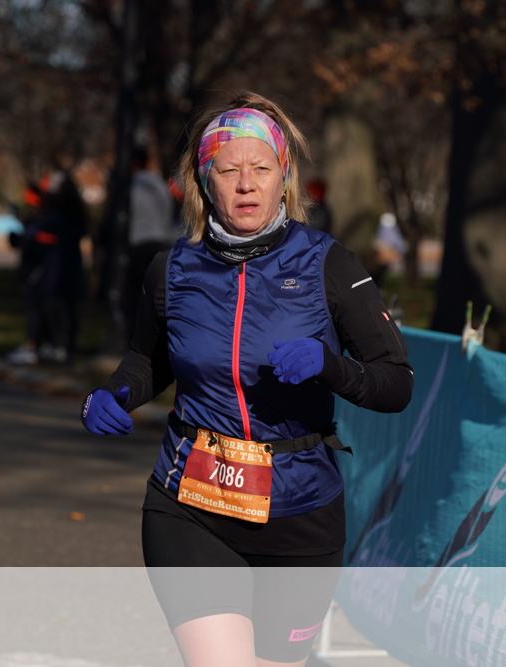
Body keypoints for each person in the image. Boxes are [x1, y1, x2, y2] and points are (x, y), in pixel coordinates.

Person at [79, 92, 413, 666]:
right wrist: (115, 393)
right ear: (203, 182)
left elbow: (395, 382)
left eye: (260, 168)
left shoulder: (328, 264)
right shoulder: (171, 269)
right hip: (191, 503)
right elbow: (148, 360)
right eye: (228, 170)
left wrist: (329, 365)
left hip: (301, 511)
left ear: (284, 177)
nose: (246, 184)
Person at [6, 170, 87, 365]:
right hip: (63, 268)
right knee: (59, 308)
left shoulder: (54, 217)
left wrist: (26, 240)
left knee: (47, 307)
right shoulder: (68, 216)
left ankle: (43, 345)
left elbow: (41, 239)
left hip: (51, 270)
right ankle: (54, 346)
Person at [125, 145, 177, 336]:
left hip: (137, 244)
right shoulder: (159, 184)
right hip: (159, 243)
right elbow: (168, 214)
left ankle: (136, 337)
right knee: (157, 297)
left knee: (137, 299)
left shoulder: (131, 186)